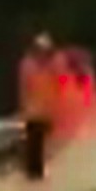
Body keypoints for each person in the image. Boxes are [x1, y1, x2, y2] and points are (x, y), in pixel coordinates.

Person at [18, 33, 63, 182]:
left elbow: (55, 85)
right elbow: (24, 88)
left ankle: (38, 171)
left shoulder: (49, 66)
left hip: (44, 109)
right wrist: (24, 108)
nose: (44, 54)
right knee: (34, 143)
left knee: (42, 142)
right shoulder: (28, 65)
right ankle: (33, 173)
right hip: (33, 110)